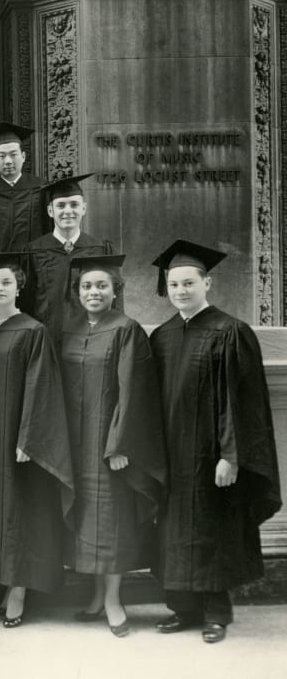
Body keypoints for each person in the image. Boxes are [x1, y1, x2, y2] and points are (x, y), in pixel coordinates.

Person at [149, 240, 281, 644]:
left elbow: (244, 405)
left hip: (211, 456)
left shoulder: (231, 332)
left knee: (213, 530)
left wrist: (231, 455)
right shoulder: (163, 336)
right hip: (172, 455)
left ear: (208, 283)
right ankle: (182, 609)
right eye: (174, 285)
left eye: (189, 283)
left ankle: (216, 613)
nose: (181, 291)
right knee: (174, 530)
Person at [60, 254, 167, 638]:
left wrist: (120, 443)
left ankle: (113, 599)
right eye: (86, 286)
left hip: (109, 447)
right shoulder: (68, 331)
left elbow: (132, 391)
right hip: (74, 444)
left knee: (111, 521)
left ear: (115, 291)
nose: (93, 292)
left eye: (101, 285)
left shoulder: (127, 329)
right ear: (77, 292)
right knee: (86, 520)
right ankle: (93, 594)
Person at [0, 252, 73, 628]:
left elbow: (40, 387)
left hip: (15, 440)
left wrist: (28, 438)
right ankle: (3, 581)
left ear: (19, 287)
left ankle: (18, 589)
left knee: (18, 511)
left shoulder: (32, 331)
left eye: (6, 282)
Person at [26, 173, 114, 349]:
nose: (68, 211)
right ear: (51, 211)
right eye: (61, 205)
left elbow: (114, 302)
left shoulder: (100, 250)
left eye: (74, 204)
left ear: (84, 208)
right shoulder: (33, 251)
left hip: (91, 344)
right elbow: (26, 301)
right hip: (46, 342)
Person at [0, 122, 45, 252]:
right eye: (2, 156)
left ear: (23, 156)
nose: (8, 161)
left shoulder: (41, 188)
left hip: (35, 263)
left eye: (13, 154)